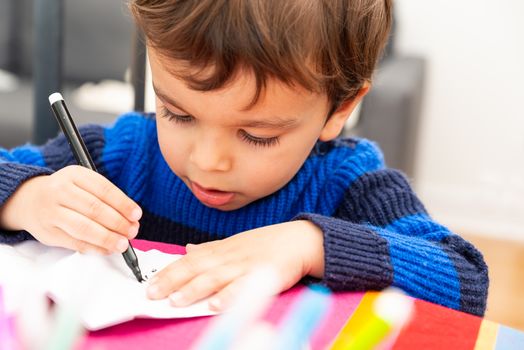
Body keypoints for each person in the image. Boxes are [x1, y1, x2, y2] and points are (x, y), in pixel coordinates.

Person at [0, 0, 488, 316]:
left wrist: (310, 245)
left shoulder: (348, 181)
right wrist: (26, 198)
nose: (209, 161)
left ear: (339, 108)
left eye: (256, 135)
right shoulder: (123, 154)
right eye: (177, 113)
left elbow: (465, 280)